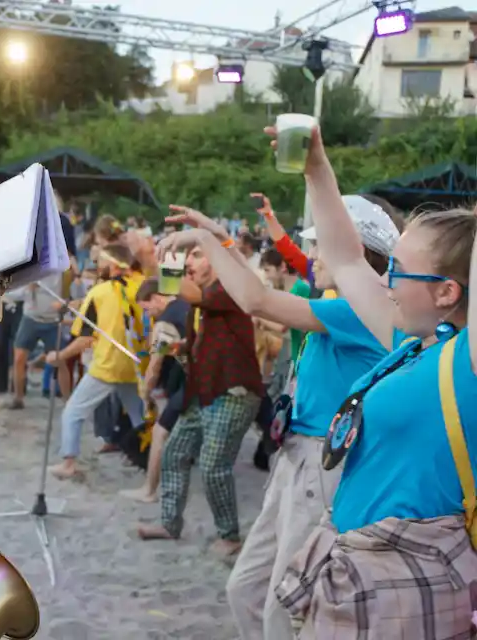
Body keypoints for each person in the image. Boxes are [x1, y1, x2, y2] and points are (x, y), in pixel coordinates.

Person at [269, 126, 477, 637]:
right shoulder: (410, 344)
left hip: (406, 578)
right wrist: (317, 168)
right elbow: (345, 257)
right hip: (361, 566)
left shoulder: (467, 363)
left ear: (448, 291)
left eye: (399, 271)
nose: (384, 281)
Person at [163, 202, 397, 639]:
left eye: (321, 246)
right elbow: (257, 286)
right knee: (245, 590)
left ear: (358, 253)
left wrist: (205, 241)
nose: (315, 257)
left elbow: (256, 299)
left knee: (282, 604)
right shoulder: (337, 300)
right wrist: (221, 236)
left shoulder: (361, 310)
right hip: (297, 457)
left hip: (320, 465)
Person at [137, 239, 263, 556]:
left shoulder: (227, 288)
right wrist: (181, 349)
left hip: (233, 392)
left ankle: (230, 536)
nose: (190, 262)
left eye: (196, 255)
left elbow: (185, 291)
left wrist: (167, 260)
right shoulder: (199, 301)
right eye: (189, 256)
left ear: (216, 260)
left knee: (212, 466)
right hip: (204, 392)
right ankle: (169, 524)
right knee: (174, 453)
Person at [47, 244, 147, 479]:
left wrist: (59, 356)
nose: (98, 265)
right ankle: (150, 460)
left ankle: (69, 463)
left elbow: (84, 339)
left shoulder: (99, 293)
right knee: (139, 417)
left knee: (73, 412)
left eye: (102, 261)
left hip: (106, 366)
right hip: (134, 365)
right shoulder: (142, 284)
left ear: (113, 265)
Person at [119, 277, 190, 503]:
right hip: (200, 376)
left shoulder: (165, 324)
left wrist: (146, 392)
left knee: (160, 432)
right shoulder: (185, 305)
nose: (148, 316)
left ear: (157, 298)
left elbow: (155, 363)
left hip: (194, 381)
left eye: (147, 309)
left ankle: (149, 491)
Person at [6, 272, 67, 410]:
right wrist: (27, 288)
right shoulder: (28, 269)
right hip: (30, 318)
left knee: (61, 360)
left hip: (52, 320)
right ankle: (18, 398)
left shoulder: (58, 268)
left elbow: (60, 291)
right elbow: (11, 293)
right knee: (19, 359)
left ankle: (67, 400)